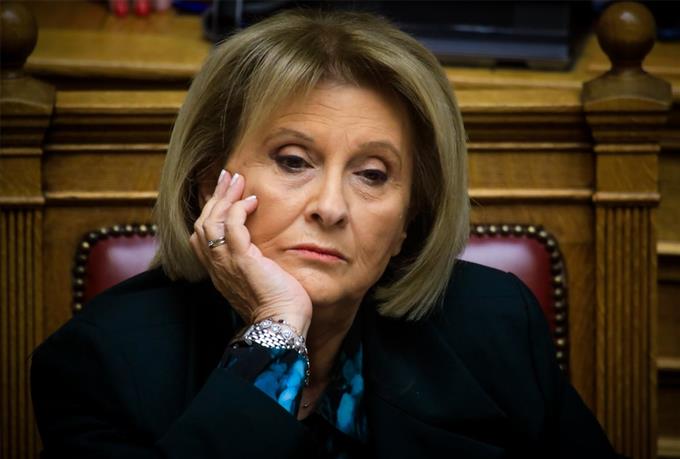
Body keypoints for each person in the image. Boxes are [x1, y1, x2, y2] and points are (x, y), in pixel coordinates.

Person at [31, 8, 625, 459]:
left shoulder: (495, 325)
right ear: (212, 185)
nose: (331, 207)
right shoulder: (101, 366)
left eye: (372, 174)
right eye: (293, 161)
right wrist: (276, 332)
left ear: (408, 220)